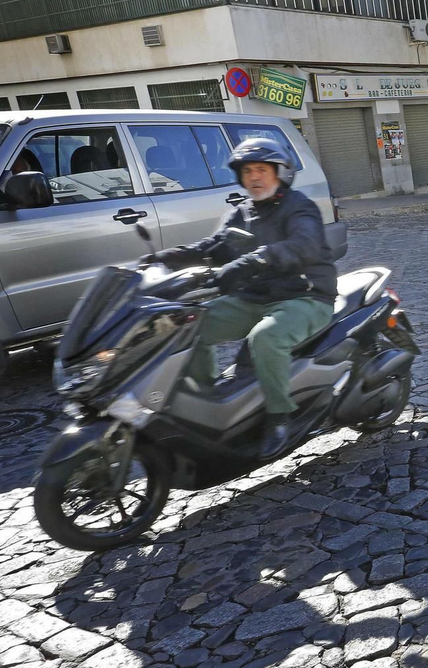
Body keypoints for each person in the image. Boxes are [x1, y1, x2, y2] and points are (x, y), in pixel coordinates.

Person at [144, 138, 336, 458]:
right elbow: (212, 246)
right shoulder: (242, 211)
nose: (254, 177)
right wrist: (165, 258)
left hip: (304, 297)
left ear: (280, 172)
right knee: (190, 324)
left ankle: (280, 417)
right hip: (254, 298)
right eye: (247, 171)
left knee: (265, 338)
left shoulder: (299, 207)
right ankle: (209, 400)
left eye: (262, 169)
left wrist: (252, 261)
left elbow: (304, 246)